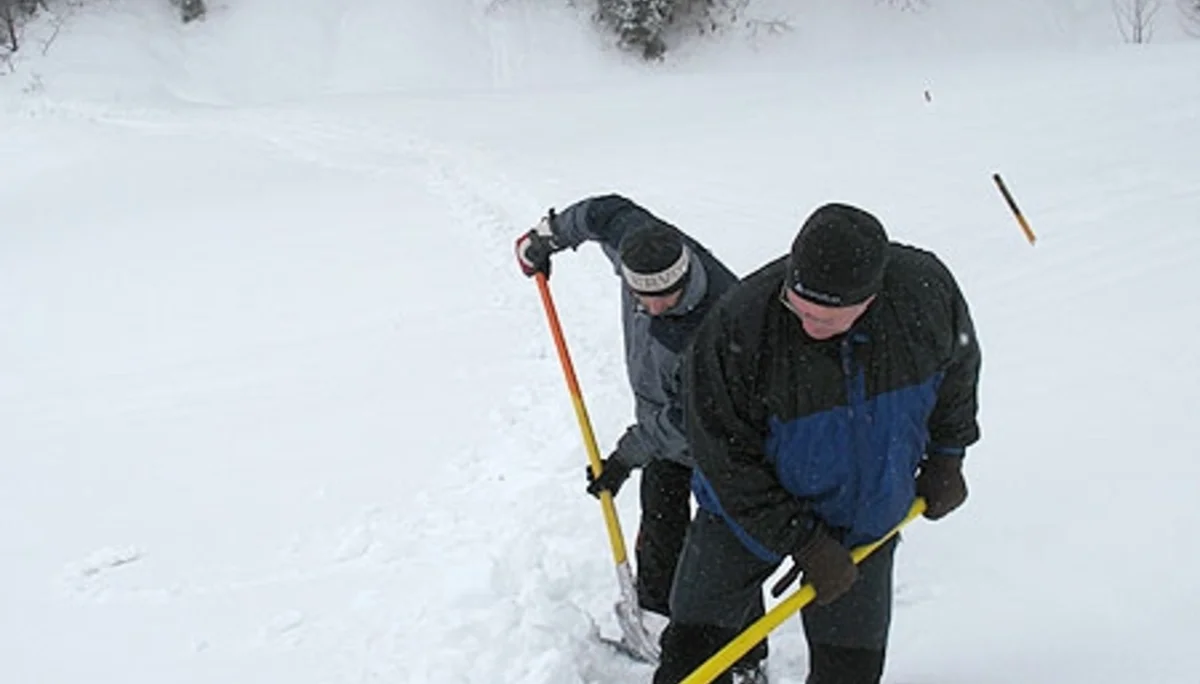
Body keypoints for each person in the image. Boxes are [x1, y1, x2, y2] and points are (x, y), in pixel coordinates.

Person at [653, 203, 982, 684]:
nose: (809, 326)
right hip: (742, 517)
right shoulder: (739, 325)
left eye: (827, 319)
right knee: (692, 660)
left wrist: (949, 455)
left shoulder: (924, 295)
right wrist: (801, 539)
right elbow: (723, 456)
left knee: (849, 674)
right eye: (798, 308)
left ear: (872, 298)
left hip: (863, 522)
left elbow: (958, 370)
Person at [514, 194, 767, 680]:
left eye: (664, 298)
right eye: (639, 295)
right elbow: (601, 213)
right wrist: (545, 239)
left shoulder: (716, 330)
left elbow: (679, 429)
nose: (650, 307)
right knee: (661, 515)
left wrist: (623, 459)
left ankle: (748, 659)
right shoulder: (640, 244)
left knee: (725, 550)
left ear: (684, 276)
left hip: (727, 436)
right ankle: (651, 618)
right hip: (664, 422)